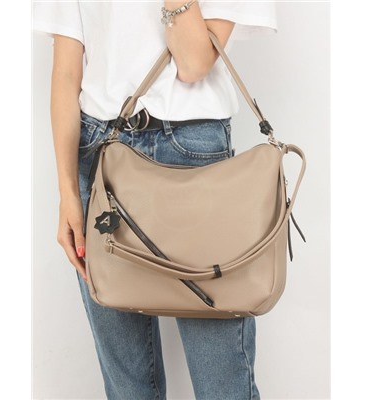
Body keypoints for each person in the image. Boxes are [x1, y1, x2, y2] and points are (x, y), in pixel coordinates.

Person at [33, 1, 276, 399]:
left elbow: (194, 63)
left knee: (222, 383)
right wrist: (67, 193)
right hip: (100, 155)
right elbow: (66, 72)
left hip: (194, 155)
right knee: (127, 386)